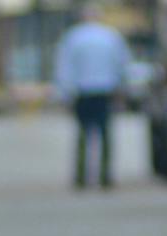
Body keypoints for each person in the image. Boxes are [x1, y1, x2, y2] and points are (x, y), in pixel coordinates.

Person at [54, 5, 130, 189]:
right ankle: (105, 175)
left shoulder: (73, 37)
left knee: (82, 135)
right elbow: (122, 64)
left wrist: (64, 93)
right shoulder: (110, 36)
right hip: (105, 89)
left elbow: (65, 67)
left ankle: (81, 176)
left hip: (83, 90)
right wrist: (122, 90)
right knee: (105, 135)